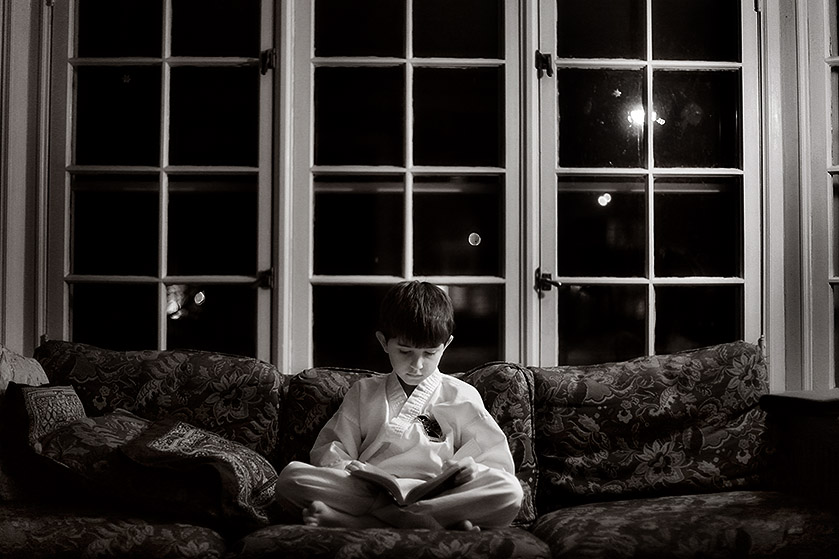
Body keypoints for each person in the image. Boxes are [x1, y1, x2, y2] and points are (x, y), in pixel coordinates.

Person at [275, 280, 522, 530]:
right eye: (405, 352)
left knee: (509, 491)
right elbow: (332, 451)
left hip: (438, 494)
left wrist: (471, 469)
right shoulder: (363, 392)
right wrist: (354, 470)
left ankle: (362, 522)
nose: (417, 365)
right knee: (291, 478)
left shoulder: (461, 395)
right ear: (384, 342)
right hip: (372, 490)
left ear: (446, 345)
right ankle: (431, 524)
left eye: (429, 353)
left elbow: (496, 463)